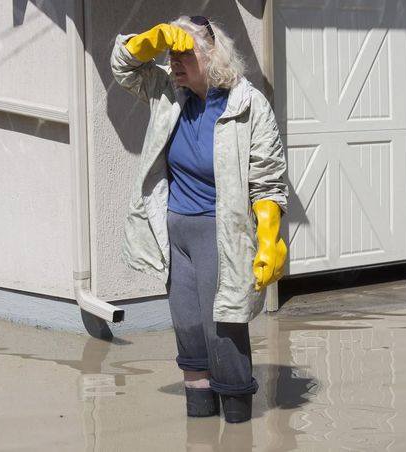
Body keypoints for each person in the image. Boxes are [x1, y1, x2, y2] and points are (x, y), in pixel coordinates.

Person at [111, 15, 288, 423]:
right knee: (189, 330)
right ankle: (200, 429)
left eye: (183, 53)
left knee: (223, 330)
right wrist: (147, 42)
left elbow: (268, 179)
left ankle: (239, 427)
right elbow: (123, 69)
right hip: (178, 233)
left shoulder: (247, 105)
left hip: (219, 233)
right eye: (170, 52)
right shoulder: (169, 94)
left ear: (211, 55)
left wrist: (269, 238)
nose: (173, 61)